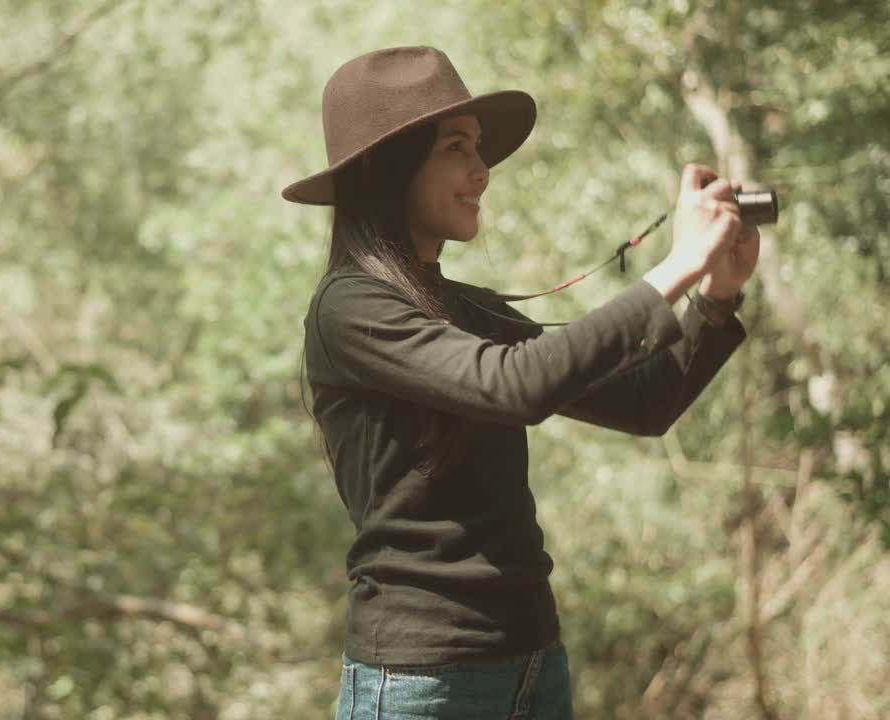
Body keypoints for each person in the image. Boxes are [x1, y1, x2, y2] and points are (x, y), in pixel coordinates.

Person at [283, 46, 759, 719]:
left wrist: (715, 297)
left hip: (534, 661)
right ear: (387, 168)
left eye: (477, 149)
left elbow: (645, 403)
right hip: (423, 683)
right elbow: (516, 386)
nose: (482, 171)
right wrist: (675, 266)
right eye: (457, 147)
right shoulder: (349, 308)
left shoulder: (469, 309)